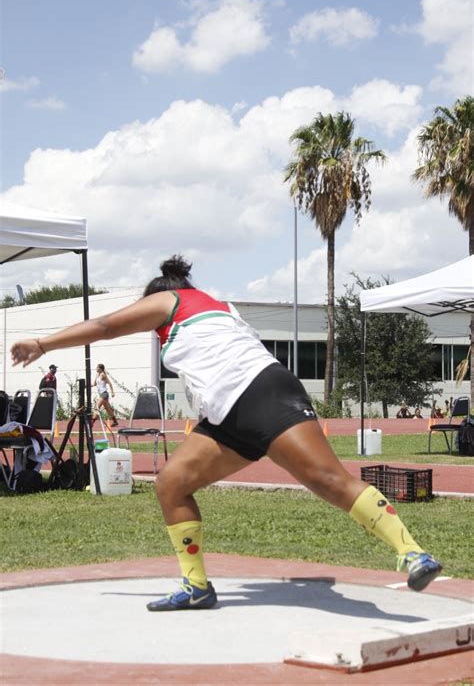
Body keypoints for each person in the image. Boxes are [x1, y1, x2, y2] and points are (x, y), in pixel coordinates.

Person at [10, 255, 442, 609]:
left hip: (260, 393)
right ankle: (196, 587)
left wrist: (43, 345)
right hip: (225, 418)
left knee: (328, 480)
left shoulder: (174, 301)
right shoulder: (219, 310)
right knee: (171, 485)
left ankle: (412, 552)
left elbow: (106, 326)